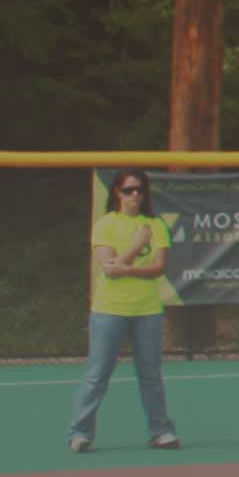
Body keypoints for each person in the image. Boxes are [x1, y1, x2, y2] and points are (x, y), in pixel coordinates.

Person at [71, 168, 177, 453]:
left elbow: (158, 268)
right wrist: (138, 245)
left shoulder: (156, 225)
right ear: (117, 192)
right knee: (97, 375)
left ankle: (161, 431)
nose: (136, 195)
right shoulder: (106, 224)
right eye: (129, 190)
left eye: (140, 190)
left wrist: (126, 267)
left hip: (147, 311)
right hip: (109, 311)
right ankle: (80, 433)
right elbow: (109, 269)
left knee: (151, 375)